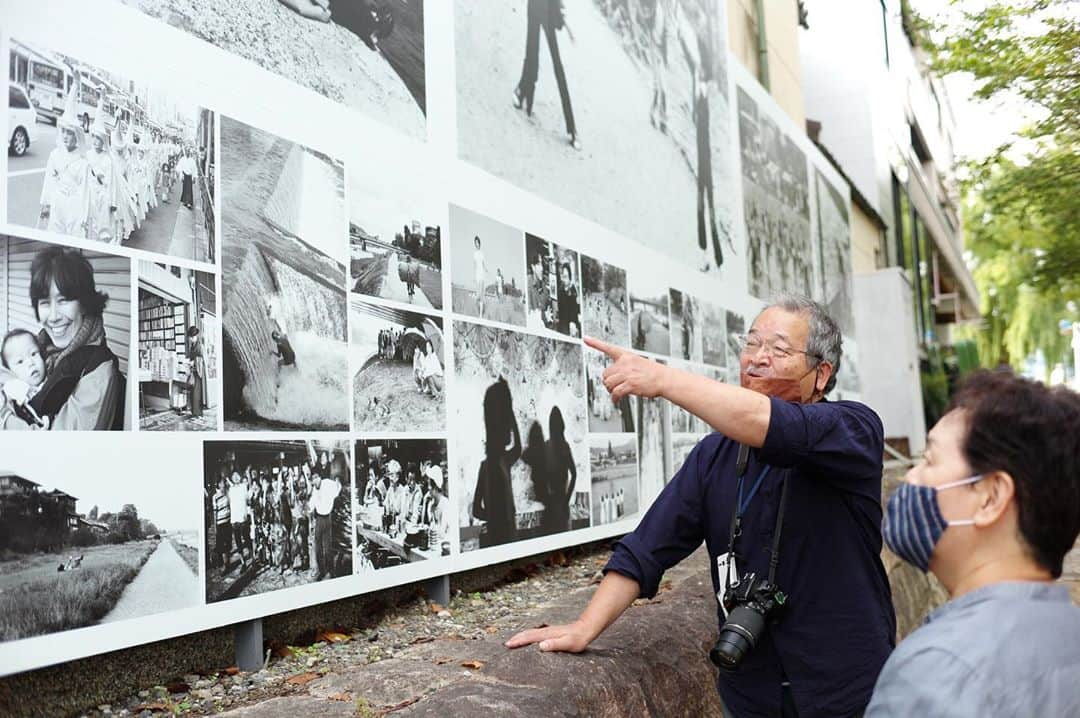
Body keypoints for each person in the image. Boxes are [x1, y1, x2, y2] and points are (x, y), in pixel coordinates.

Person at [508, 295, 894, 718]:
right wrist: (585, 627)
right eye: (751, 344)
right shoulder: (713, 456)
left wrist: (663, 379)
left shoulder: (853, 430)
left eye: (779, 350)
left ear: (821, 374)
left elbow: (771, 424)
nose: (757, 359)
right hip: (751, 692)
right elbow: (646, 549)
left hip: (848, 690)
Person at [866, 371, 1080, 717]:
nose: (910, 477)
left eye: (929, 460)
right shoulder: (1069, 630)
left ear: (991, 497)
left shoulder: (934, 671)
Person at [1, 247, 125, 431]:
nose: (53, 317)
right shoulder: (42, 345)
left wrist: (5, 417)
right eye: (44, 302)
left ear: (84, 304)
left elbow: (58, 449)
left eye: (63, 300)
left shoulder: (97, 370)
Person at [514, 0, 580, 150]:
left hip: (549, 9)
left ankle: (572, 128)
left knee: (557, 66)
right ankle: (522, 92)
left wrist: (559, 9)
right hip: (535, 5)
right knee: (531, 52)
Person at [472, 378, 522, 548]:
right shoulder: (492, 465)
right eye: (506, 424)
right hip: (500, 538)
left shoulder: (501, 462)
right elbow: (476, 510)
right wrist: (495, 518)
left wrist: (510, 411)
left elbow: (518, 447)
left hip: (505, 534)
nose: (509, 429)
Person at [39, 90, 90, 237]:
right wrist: (46, 203)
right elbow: (49, 180)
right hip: (57, 202)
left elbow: (84, 190)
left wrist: (83, 217)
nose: (66, 136)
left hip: (74, 206)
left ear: (76, 136)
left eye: (70, 133)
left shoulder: (82, 162)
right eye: (64, 132)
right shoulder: (54, 155)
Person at [541, 405, 576, 534]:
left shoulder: (546, 446)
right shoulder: (564, 446)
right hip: (562, 501)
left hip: (550, 503)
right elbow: (574, 475)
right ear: (562, 425)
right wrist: (567, 498)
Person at [310, 461, 342, 580]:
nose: (314, 481)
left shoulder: (328, 484)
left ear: (320, 477)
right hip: (318, 519)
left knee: (327, 548)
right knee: (318, 547)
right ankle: (321, 570)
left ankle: (330, 571)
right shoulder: (314, 489)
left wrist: (338, 485)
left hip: (327, 518)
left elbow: (338, 487)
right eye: (312, 479)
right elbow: (311, 505)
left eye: (316, 477)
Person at [228, 469, 251, 571]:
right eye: (234, 476)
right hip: (234, 520)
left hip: (243, 518)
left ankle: (253, 559)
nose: (236, 477)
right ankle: (243, 563)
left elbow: (247, 499)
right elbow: (230, 504)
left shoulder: (243, 487)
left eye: (237, 475)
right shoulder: (231, 489)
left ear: (240, 477)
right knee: (238, 543)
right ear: (232, 478)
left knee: (247, 539)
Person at [212, 472, 232, 570]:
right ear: (219, 485)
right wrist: (215, 527)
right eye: (222, 483)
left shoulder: (227, 494)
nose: (223, 484)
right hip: (220, 523)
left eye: (224, 483)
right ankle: (224, 565)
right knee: (222, 546)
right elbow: (215, 513)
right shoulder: (215, 497)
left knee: (228, 544)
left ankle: (227, 563)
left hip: (228, 522)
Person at [556, 262, 580, 337]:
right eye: (562, 277)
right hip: (563, 327)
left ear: (570, 277)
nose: (563, 279)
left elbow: (575, 308)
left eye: (565, 277)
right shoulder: (560, 290)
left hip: (572, 326)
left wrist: (573, 322)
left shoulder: (574, 290)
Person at [187, 325, 205, 418]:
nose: (191, 339)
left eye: (192, 337)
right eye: (190, 337)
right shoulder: (193, 345)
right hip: (194, 370)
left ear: (196, 336)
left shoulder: (199, 345)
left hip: (198, 371)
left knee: (196, 392)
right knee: (194, 391)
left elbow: (201, 358)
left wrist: (193, 362)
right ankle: (195, 411)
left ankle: (197, 412)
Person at [472, 236, 487, 319]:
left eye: (477, 243)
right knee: (477, 296)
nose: (476, 244)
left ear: (479, 243)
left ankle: (480, 315)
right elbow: (474, 265)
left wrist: (487, 270)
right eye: (475, 243)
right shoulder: (474, 254)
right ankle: (477, 311)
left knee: (481, 295)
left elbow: (484, 264)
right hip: (477, 275)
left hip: (482, 275)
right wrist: (474, 277)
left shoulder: (482, 253)